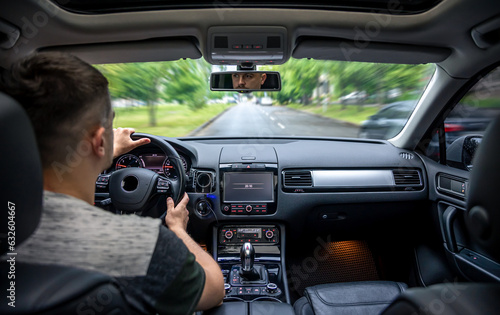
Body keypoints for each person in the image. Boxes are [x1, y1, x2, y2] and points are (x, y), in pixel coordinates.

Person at [0, 52, 225, 314]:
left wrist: (103, 150)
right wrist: (177, 229)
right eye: (111, 123)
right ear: (99, 141)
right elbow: (215, 289)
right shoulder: (141, 245)